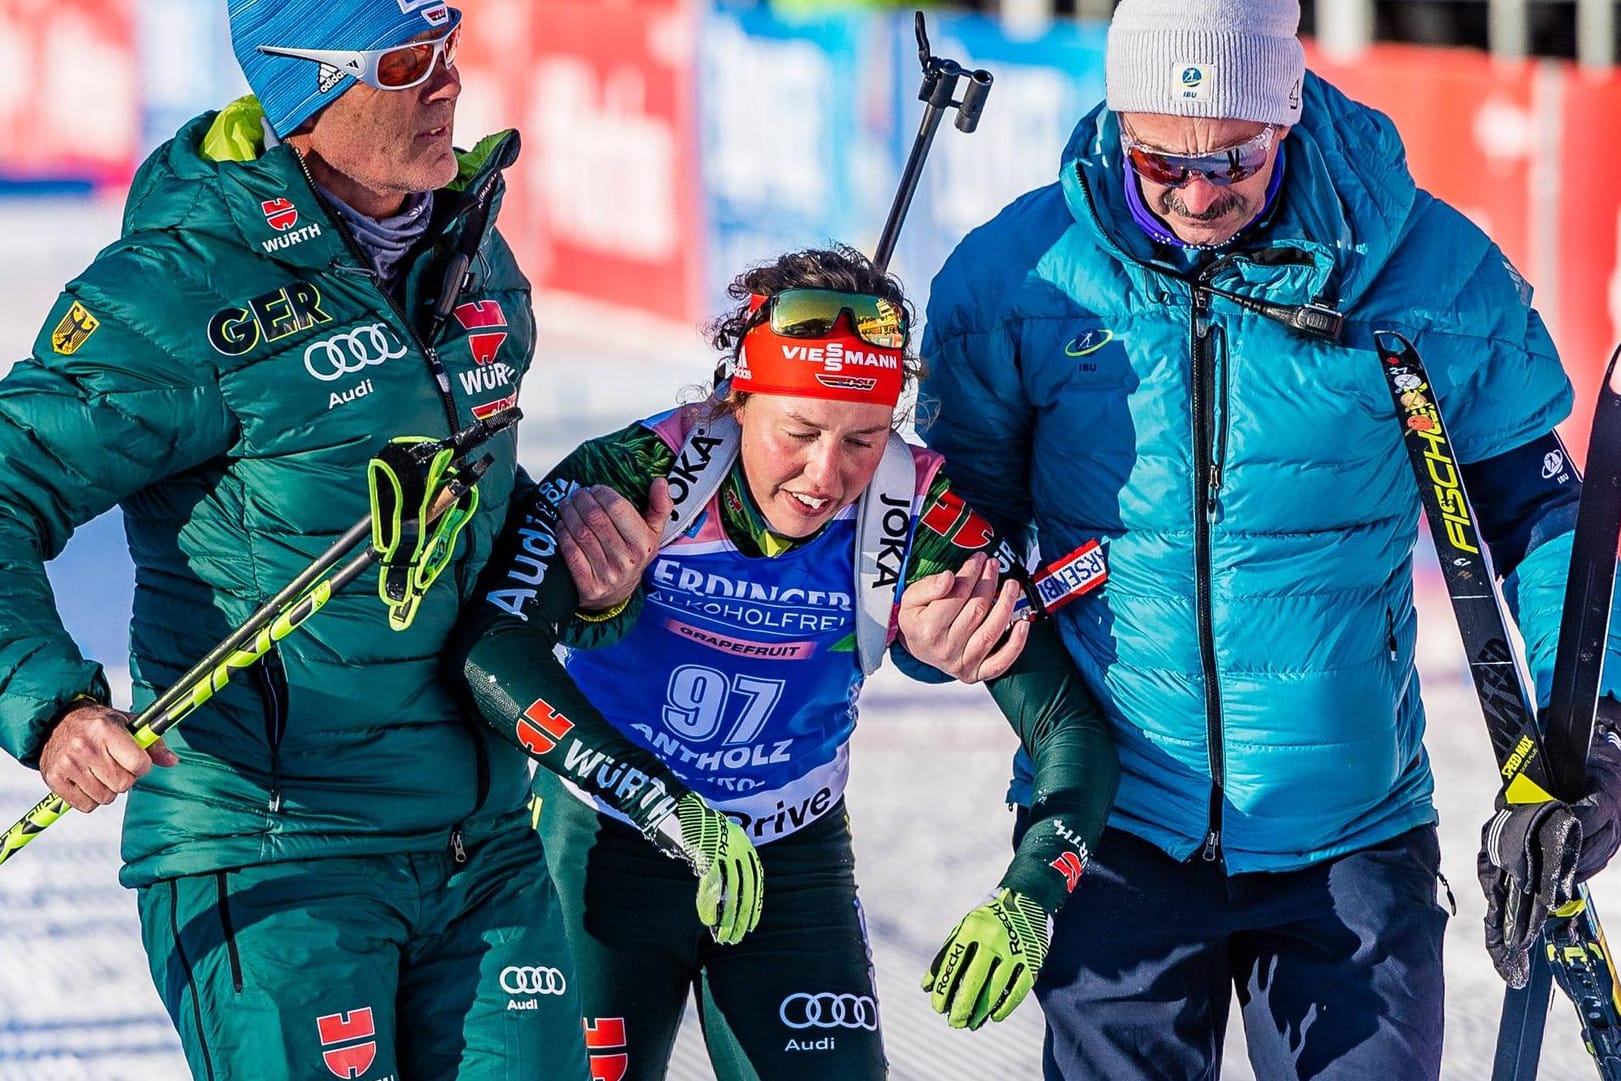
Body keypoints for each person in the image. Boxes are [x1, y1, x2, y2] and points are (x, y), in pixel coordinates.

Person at [913, 0, 1621, 1078]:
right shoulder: (1017, 279)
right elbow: (951, 527)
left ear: (1285, 110)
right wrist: (934, 623)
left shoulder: (1422, 272)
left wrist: (1598, 733)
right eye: (1159, 162)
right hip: (1111, 826)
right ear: (1116, 123)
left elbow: (1543, 517)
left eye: (1234, 158)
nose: (1198, 192)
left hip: (1351, 832)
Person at [0, 3, 645, 1077]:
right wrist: (52, 703)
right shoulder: (178, 288)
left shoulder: (470, 253)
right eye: (404, 62)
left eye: (447, 50)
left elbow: (467, 509)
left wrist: (585, 572)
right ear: (303, 92)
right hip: (273, 848)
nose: (445, 82)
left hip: (482, 835)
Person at [447, 244, 1121, 1081]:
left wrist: (1031, 893)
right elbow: (492, 649)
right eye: (797, 432)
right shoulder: (643, 472)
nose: (824, 475)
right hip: (607, 839)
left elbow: (1069, 724)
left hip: (787, 857)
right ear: (740, 396)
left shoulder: (919, 508)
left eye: (864, 440)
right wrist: (663, 803)